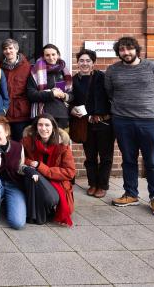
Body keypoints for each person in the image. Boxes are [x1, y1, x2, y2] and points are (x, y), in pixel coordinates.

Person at [106, 36, 154, 217]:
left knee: (152, 161)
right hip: (123, 121)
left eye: (129, 49)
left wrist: (152, 108)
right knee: (128, 159)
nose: (126, 53)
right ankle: (131, 194)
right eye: (122, 50)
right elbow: (110, 92)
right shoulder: (113, 70)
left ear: (136, 49)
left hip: (150, 121)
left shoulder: (153, 67)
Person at [70, 48, 113, 199]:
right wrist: (71, 110)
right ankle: (93, 184)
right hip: (86, 124)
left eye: (88, 60)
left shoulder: (103, 77)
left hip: (105, 123)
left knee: (106, 156)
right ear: (78, 62)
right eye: (81, 60)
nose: (85, 63)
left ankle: (102, 185)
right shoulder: (73, 80)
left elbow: (113, 96)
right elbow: (69, 100)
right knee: (90, 156)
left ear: (93, 63)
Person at [21, 114, 76, 226]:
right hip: (34, 181)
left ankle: (41, 210)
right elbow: (20, 158)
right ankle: (38, 215)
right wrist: (31, 163)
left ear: (53, 128)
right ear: (36, 127)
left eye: (47, 125)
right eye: (40, 125)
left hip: (57, 182)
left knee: (50, 197)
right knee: (33, 174)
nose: (44, 128)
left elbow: (70, 172)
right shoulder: (27, 141)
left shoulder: (63, 145)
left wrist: (41, 167)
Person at [0, 116, 27, 230]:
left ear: (6, 132)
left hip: (14, 185)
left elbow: (20, 167)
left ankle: (7, 203)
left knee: (18, 224)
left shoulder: (18, 147)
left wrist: (28, 170)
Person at [27, 44, 73, 130]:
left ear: (58, 55)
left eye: (53, 54)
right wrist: (51, 94)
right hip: (43, 115)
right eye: (47, 55)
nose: (51, 57)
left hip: (62, 116)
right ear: (43, 57)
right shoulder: (35, 72)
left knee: (61, 143)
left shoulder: (64, 71)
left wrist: (63, 95)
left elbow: (71, 95)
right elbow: (31, 94)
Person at [0, 38, 32, 139]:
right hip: (4, 112)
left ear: (16, 49)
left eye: (10, 48)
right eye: (5, 49)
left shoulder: (28, 67)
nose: (8, 51)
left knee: (20, 144)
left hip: (21, 113)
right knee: (4, 142)